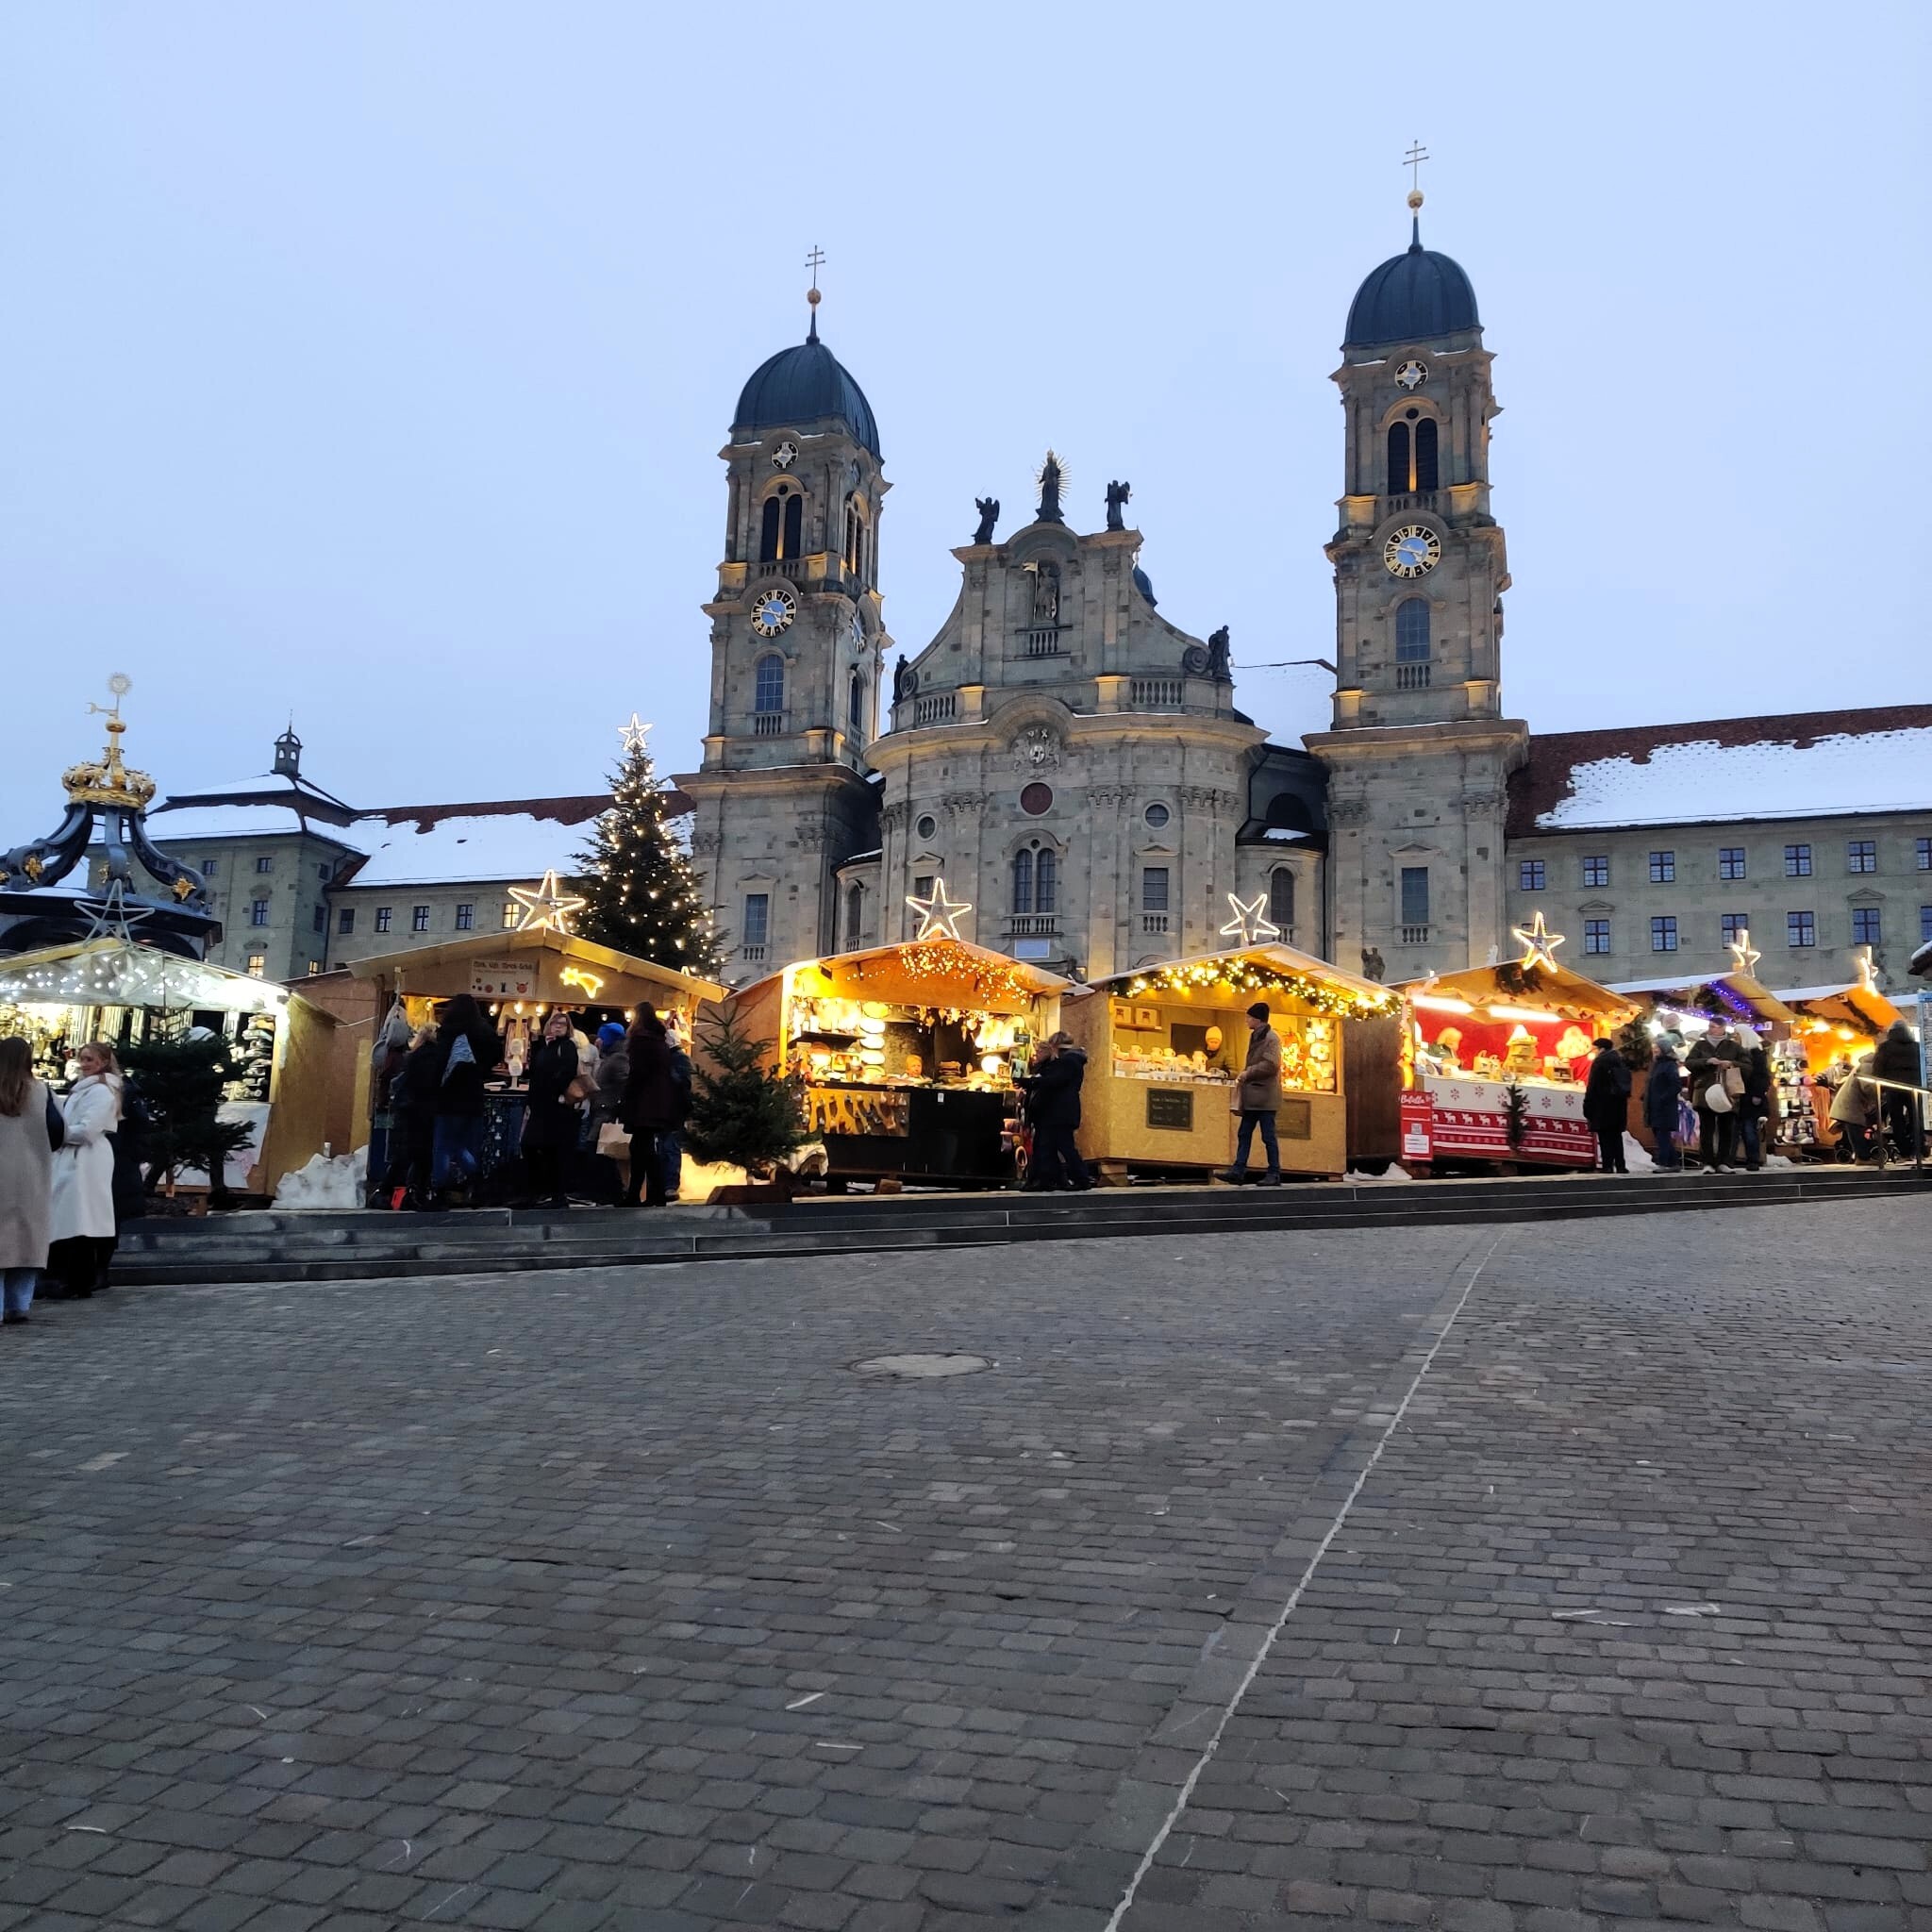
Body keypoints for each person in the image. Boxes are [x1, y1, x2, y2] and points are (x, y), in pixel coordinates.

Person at [48, 1041, 123, 1298]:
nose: (84, 1063)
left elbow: (89, 1128)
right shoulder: (84, 1089)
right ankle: (71, 1278)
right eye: (82, 1058)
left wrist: (61, 1133)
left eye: (90, 1059)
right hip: (74, 1155)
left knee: (81, 1218)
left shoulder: (102, 1091)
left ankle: (79, 1281)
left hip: (86, 1158)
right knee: (73, 1217)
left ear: (102, 1062)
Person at [0, 1037, 59, 1324]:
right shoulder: (42, 1091)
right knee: (26, 1241)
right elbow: (59, 1131)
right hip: (32, 1174)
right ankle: (19, 1304)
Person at [429, 995, 504, 1203]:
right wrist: (482, 1069)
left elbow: (438, 1067)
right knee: (466, 1144)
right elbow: (497, 1053)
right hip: (473, 1096)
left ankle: (440, 1188)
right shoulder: (483, 1031)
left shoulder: (448, 1031)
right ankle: (474, 1180)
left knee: (444, 1146)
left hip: (447, 1097)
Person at [1219, 1003, 1284, 1186]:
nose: (1246, 1020)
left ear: (1257, 1019)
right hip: (1253, 1096)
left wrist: (1249, 1072)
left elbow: (1272, 1065)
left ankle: (1274, 1173)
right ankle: (1238, 1170)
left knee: (1268, 1136)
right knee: (1244, 1132)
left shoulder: (1271, 1038)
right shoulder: (1256, 1036)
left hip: (1265, 1097)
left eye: (1249, 1017)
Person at [619, 1008, 678, 1207]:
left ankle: (638, 1195)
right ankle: (652, 1194)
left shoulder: (640, 1041)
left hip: (643, 1103)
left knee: (640, 1149)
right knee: (644, 1149)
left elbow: (637, 1074)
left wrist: (627, 1099)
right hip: (658, 1102)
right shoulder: (659, 1041)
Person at [520, 1013, 580, 1208]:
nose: (559, 1027)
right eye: (555, 1023)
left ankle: (552, 1194)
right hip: (542, 1105)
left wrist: (554, 1091)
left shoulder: (566, 1047)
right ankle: (543, 1192)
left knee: (548, 1149)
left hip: (553, 1106)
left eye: (563, 1024)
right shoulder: (547, 1047)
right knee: (535, 1147)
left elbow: (568, 1070)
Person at [1019, 1031, 1091, 1191]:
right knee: (1050, 1146)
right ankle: (1050, 1180)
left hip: (1060, 1112)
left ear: (1055, 1046)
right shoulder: (1071, 1061)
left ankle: (1080, 1179)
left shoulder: (1068, 1062)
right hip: (1061, 1112)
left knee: (1063, 1146)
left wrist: (1032, 1082)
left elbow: (1054, 1081)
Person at [382, 1024, 441, 1208]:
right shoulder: (439, 1058)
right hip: (428, 1112)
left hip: (408, 1111)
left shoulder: (412, 1057)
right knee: (423, 1156)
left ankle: (386, 1191)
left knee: (405, 1155)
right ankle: (415, 1192)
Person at [1871, 1018, 1923, 1160]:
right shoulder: (1917, 1047)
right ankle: (1918, 1149)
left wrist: (1879, 1089)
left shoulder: (1885, 1047)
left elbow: (1878, 1069)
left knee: (1897, 1121)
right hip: (1915, 1088)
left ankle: (1905, 1151)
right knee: (1916, 1118)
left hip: (1893, 1088)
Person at [1582, 1037, 1632, 1174]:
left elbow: (1593, 1086)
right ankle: (1621, 1165)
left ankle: (1607, 1165)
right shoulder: (1620, 1061)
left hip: (1602, 1105)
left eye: (1596, 1049)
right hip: (1618, 1105)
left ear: (1601, 1049)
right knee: (1616, 1136)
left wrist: (1587, 1104)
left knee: (1604, 1137)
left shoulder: (1600, 1062)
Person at [660, 1016, 693, 1202]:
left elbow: (682, 1083)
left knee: (670, 1147)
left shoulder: (678, 1058)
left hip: (674, 1110)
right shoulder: (676, 1058)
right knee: (667, 1147)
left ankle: (671, 1184)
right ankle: (667, 1183)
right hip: (670, 1109)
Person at [1829, 1051, 1878, 1161]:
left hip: (1850, 1104)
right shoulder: (1868, 1066)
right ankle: (1863, 1158)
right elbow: (1867, 1087)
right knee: (1856, 1131)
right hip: (1851, 1105)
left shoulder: (1867, 1065)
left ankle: (1862, 1157)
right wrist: (1879, 1092)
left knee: (1855, 1130)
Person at [1644, 1049, 1685, 1171]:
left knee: (1662, 1135)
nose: (1654, 1051)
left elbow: (1676, 1085)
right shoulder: (1656, 1065)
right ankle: (1673, 1163)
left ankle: (1663, 1162)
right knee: (1659, 1134)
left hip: (1664, 1107)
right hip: (1654, 1106)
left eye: (1657, 1048)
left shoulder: (1669, 1065)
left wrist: (1663, 1098)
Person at [1737, 1039, 1774, 1171]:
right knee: (1743, 1129)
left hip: (1749, 1099)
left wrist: (1757, 1094)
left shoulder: (1756, 1055)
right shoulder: (1736, 1052)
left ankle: (1753, 1159)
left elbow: (1762, 1077)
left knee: (1748, 1129)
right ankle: (1745, 1159)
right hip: (1739, 1097)